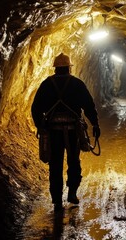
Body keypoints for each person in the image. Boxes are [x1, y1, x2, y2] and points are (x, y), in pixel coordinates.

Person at [31, 53, 100, 211]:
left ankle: (56, 200)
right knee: (74, 162)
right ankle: (72, 194)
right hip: (73, 131)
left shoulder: (47, 84)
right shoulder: (77, 84)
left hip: (53, 132)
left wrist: (40, 126)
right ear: (69, 67)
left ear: (55, 69)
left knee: (55, 165)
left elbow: (35, 108)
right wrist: (95, 124)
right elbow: (89, 106)